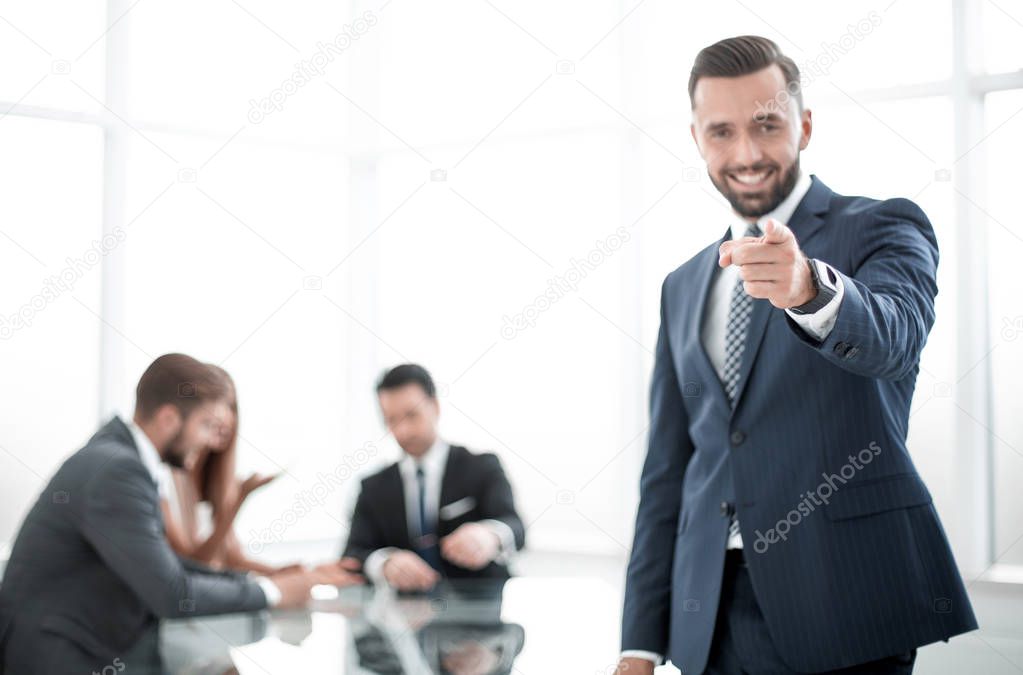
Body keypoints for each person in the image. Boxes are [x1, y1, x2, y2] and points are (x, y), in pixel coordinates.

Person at [618, 36, 977, 675]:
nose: (747, 153)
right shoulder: (682, 285)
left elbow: (895, 337)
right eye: (722, 132)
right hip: (709, 618)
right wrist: (639, 641)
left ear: (804, 126)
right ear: (697, 139)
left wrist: (809, 289)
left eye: (767, 125)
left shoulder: (884, 225)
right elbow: (669, 468)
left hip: (846, 600)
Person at [0, 354, 358, 674]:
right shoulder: (117, 470)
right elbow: (171, 592)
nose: (209, 440)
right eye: (205, 425)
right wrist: (270, 592)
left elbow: (167, 566)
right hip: (56, 658)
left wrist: (266, 584)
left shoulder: (119, 459)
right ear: (170, 418)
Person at [341, 364, 525, 591]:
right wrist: (385, 563)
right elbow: (352, 554)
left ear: (435, 407)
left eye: (412, 415)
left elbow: (515, 526)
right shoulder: (373, 487)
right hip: (405, 616)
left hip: (480, 611)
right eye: (392, 420)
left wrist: (489, 535)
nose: (403, 431)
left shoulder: (481, 467)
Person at [160, 364, 298, 576]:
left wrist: (284, 573)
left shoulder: (220, 480)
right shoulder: (167, 475)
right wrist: (239, 500)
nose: (225, 419)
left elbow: (233, 558)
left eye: (231, 407)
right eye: (219, 408)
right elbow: (192, 564)